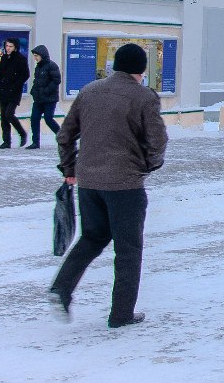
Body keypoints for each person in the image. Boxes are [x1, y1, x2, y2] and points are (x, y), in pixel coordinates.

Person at [49, 42, 167, 328]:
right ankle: (121, 313)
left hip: (89, 182)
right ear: (141, 70)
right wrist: (148, 165)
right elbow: (158, 140)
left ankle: (62, 287)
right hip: (125, 184)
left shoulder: (89, 92)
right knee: (128, 249)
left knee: (93, 237)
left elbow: (65, 135)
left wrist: (69, 168)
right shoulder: (143, 97)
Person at [0, 38, 30, 149]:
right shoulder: (4, 57)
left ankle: (22, 133)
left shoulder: (20, 59)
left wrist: (16, 85)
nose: (8, 48)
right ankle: (6, 141)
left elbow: (25, 75)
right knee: (3, 117)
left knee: (9, 114)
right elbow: (0, 74)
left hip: (14, 92)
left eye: (10, 46)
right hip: (4, 91)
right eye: (7, 46)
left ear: (15, 47)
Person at [27, 44, 62, 149]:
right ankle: (35, 142)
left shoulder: (52, 65)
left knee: (48, 119)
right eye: (34, 56)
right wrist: (33, 91)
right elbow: (37, 81)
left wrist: (46, 91)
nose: (35, 58)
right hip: (38, 99)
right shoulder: (38, 67)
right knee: (34, 119)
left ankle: (62, 137)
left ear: (42, 55)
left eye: (37, 55)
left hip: (50, 99)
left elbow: (56, 80)